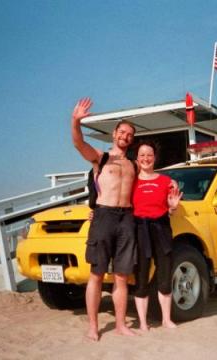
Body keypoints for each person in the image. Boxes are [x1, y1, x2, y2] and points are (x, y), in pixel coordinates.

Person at [71, 97, 137, 341]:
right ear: (114, 134)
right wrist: (75, 121)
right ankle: (93, 327)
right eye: (122, 132)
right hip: (104, 216)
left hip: (126, 218)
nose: (125, 137)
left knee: (121, 275)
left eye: (130, 134)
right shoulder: (102, 158)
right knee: (97, 274)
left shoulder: (134, 165)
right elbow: (79, 144)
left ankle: (120, 324)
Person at [132, 140, 182, 331]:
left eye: (149, 155)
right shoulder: (131, 181)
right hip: (139, 229)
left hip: (161, 228)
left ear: (155, 157)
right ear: (137, 158)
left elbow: (172, 209)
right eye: (142, 155)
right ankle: (143, 323)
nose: (146, 158)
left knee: (164, 274)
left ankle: (166, 319)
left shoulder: (166, 181)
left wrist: (173, 207)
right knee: (141, 276)